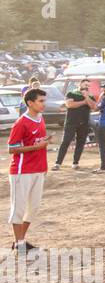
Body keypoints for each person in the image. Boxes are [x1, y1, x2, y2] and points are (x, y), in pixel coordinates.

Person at [8, 88, 50, 254]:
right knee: (18, 208)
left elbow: (39, 142)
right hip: (21, 171)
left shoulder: (40, 118)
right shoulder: (20, 123)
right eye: (41, 101)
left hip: (38, 169)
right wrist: (36, 147)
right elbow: (12, 148)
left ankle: (20, 241)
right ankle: (19, 244)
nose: (44, 104)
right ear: (30, 103)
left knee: (33, 208)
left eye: (44, 101)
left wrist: (44, 163)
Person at [54, 80, 96, 170]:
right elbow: (69, 104)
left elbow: (93, 107)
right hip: (71, 122)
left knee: (80, 143)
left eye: (88, 85)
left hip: (84, 123)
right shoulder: (72, 93)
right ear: (80, 84)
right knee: (66, 141)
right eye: (85, 84)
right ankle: (58, 163)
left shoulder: (90, 96)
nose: (87, 87)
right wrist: (84, 102)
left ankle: (75, 163)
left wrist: (86, 97)